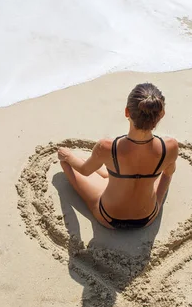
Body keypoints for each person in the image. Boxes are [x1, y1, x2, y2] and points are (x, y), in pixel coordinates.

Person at [58, 83, 178, 229]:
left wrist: (68, 156)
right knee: (156, 172)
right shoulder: (170, 147)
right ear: (161, 114)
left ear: (127, 112)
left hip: (109, 217)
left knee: (71, 163)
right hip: (147, 218)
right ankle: (111, 177)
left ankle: (108, 176)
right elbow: (167, 175)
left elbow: (84, 170)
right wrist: (158, 202)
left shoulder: (107, 147)